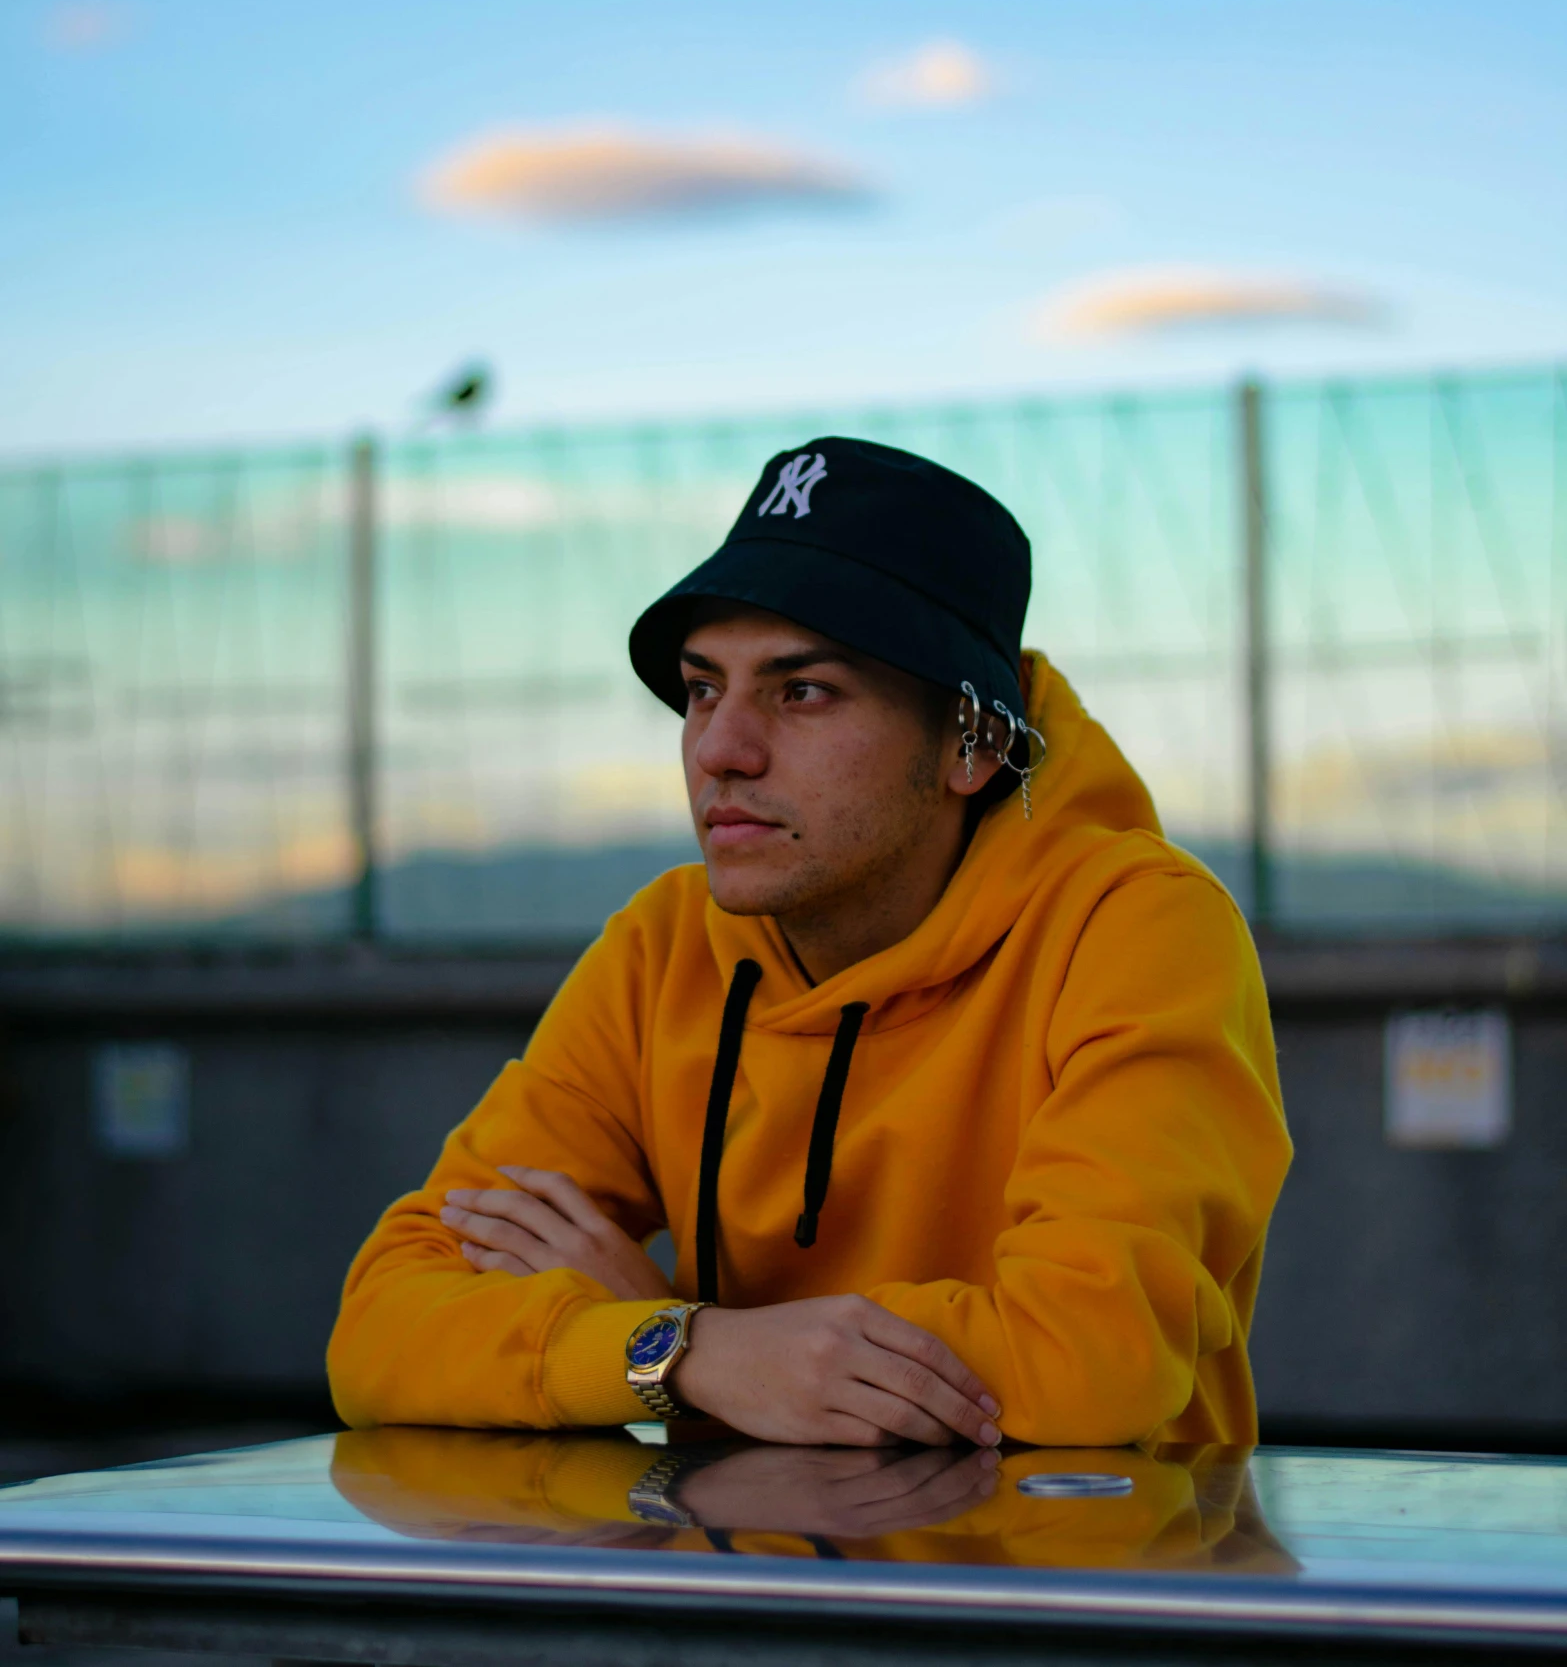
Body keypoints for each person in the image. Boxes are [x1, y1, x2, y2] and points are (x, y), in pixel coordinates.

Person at [329, 438, 1290, 1448]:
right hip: (755, 1585)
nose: (720, 750)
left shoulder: (1137, 928)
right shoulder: (664, 948)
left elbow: (1086, 1363)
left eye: (802, 690)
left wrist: (691, 1345)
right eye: (703, 688)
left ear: (973, 741)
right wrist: (686, 1351)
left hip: (1081, 1584)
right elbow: (381, 1325)